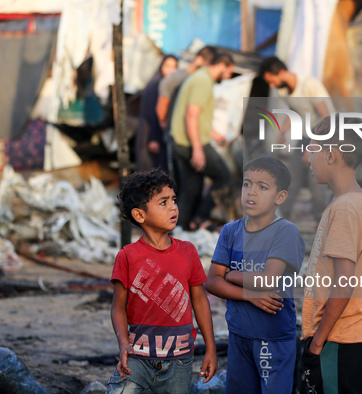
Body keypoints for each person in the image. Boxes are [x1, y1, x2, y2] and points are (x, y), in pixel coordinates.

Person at [107, 169, 217, 394]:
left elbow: (200, 301)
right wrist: (122, 343)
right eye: (163, 202)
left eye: (174, 200)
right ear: (139, 215)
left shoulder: (188, 252)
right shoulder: (127, 256)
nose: (173, 207)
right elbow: (118, 307)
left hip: (179, 362)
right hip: (137, 358)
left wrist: (211, 348)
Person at [206, 156, 306, 394]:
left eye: (263, 187)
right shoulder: (231, 231)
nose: (251, 192)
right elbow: (212, 282)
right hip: (239, 334)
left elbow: (268, 279)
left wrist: (232, 275)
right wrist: (249, 295)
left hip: (273, 337)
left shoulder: (285, 232)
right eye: (247, 184)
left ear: (279, 197)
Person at [300, 114, 362, 394]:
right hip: (342, 336)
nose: (308, 157)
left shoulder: (345, 209)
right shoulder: (354, 202)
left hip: (336, 339)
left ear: (331, 154)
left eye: (312, 148)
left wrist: (317, 342)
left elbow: (344, 283)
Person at [259, 56, 334, 222]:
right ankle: (278, 219)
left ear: (280, 72)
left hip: (325, 137)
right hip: (306, 136)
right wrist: (282, 133)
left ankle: (322, 223)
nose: (271, 85)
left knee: (317, 183)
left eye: (271, 81)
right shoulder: (283, 90)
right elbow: (295, 112)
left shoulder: (309, 85)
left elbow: (325, 117)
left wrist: (313, 148)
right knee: (291, 177)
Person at [170, 53, 235, 230]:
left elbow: (198, 118)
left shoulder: (200, 79)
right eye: (229, 72)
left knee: (191, 190)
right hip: (191, 143)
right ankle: (200, 219)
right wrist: (198, 149)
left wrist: (216, 136)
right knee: (224, 176)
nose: (229, 77)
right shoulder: (203, 81)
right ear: (221, 64)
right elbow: (191, 115)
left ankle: (183, 228)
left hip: (184, 142)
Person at [156, 46, 218, 131]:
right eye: (208, 65)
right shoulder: (174, 79)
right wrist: (168, 127)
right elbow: (161, 108)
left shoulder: (201, 80)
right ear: (199, 59)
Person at [136, 55, 178, 171]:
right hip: (150, 134)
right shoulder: (156, 85)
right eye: (168, 66)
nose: (171, 70)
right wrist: (153, 138)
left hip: (157, 134)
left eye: (174, 67)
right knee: (151, 170)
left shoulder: (165, 84)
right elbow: (151, 113)